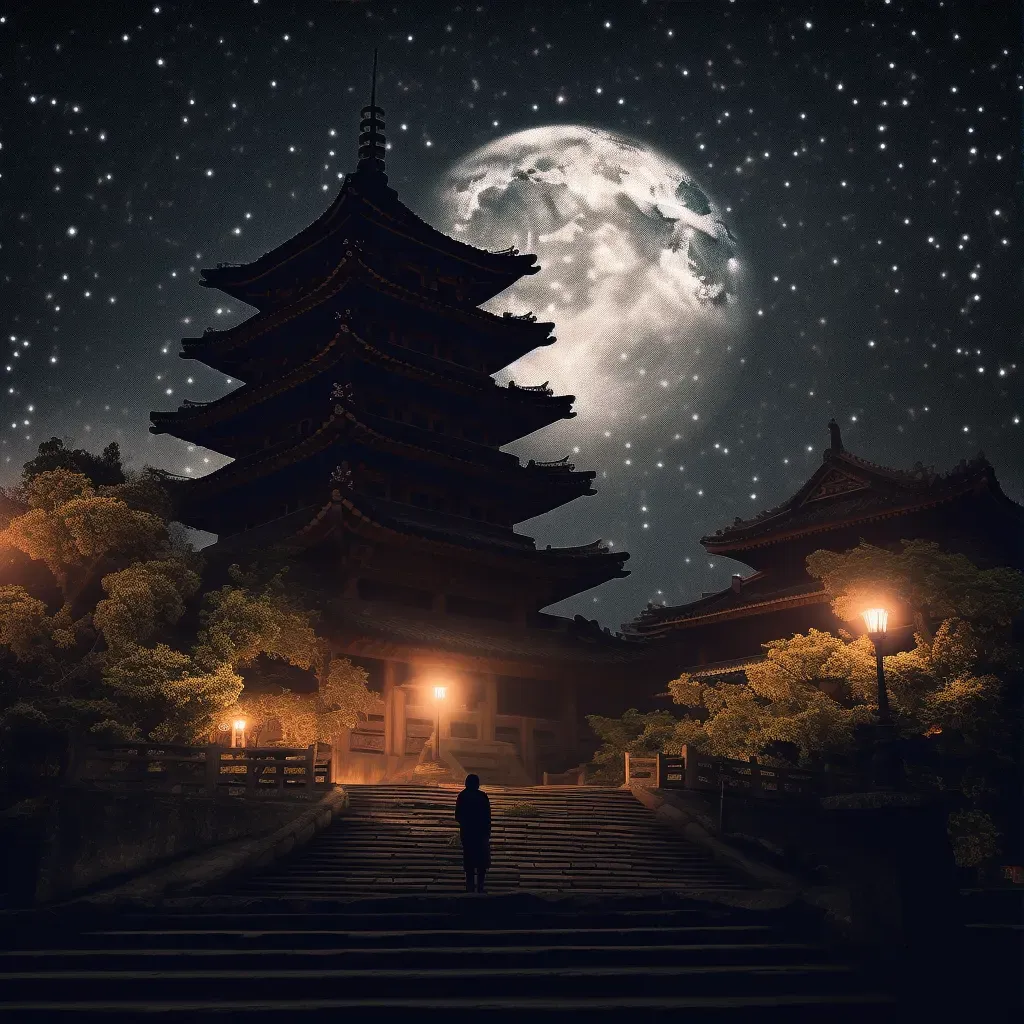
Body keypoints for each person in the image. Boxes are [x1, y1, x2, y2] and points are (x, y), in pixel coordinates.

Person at [454, 773, 491, 893]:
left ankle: (470, 885)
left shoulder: (462, 796)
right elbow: (488, 817)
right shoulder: (483, 796)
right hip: (480, 833)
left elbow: (457, 816)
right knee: (481, 860)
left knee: (469, 858)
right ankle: (480, 885)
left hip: (468, 833)